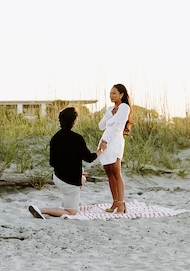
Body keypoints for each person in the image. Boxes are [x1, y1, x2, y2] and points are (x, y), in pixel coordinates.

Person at [29, 106, 106, 219]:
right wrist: (101, 149)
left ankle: (67, 202)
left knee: (83, 179)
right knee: (71, 213)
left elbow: (52, 163)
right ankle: (41, 210)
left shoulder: (55, 138)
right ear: (74, 121)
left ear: (60, 121)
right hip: (69, 182)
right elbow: (89, 158)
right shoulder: (77, 138)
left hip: (57, 178)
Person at [98, 83, 133, 214]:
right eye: (110, 93)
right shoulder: (110, 109)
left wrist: (106, 141)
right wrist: (110, 115)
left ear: (121, 94)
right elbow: (101, 126)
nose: (111, 95)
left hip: (113, 141)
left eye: (114, 93)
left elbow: (118, 125)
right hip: (104, 140)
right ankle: (114, 202)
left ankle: (121, 204)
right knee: (109, 173)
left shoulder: (124, 107)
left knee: (116, 172)